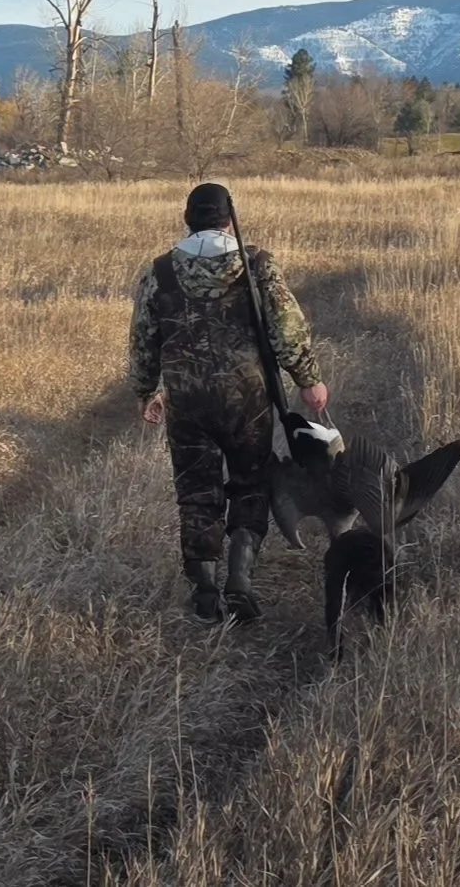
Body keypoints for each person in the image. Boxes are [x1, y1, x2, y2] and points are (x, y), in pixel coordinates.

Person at [128, 181, 328, 623]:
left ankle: (204, 592)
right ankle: (240, 579)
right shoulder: (256, 265)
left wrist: (146, 390)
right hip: (246, 397)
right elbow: (286, 329)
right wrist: (308, 379)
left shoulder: (160, 271)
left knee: (197, 493)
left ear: (188, 219)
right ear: (228, 217)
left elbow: (143, 339)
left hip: (186, 399)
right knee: (250, 482)